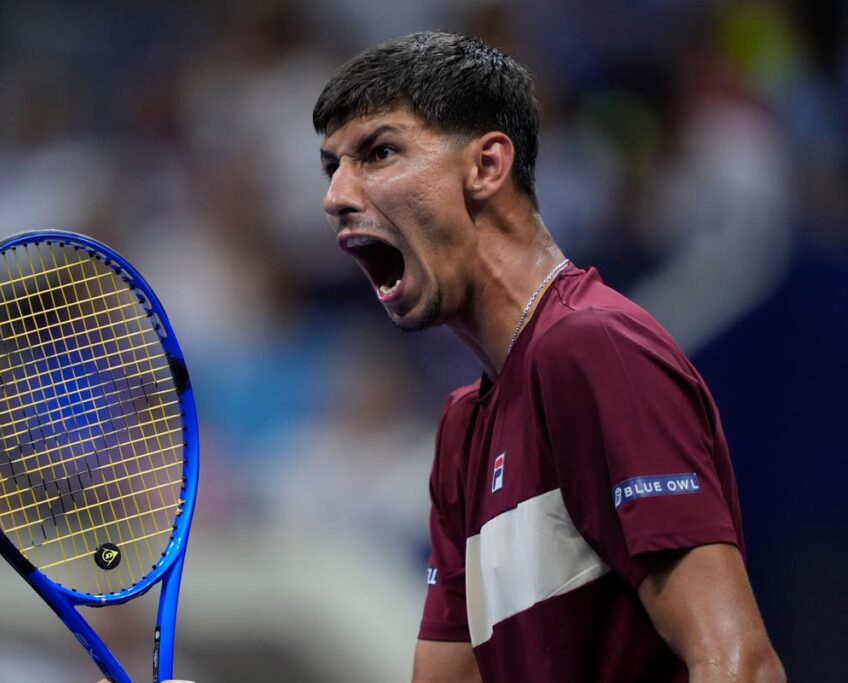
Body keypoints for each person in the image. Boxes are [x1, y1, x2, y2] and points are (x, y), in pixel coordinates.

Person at [313, 32, 785, 682]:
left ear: (486, 167)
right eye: (331, 166)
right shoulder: (461, 431)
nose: (335, 195)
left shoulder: (595, 349)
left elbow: (739, 664)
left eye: (379, 151)